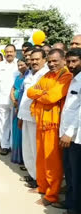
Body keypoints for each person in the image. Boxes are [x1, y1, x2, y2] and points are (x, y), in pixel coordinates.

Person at [27, 49, 73, 206]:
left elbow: (52, 97)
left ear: (63, 60)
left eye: (55, 61)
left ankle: (52, 195)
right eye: (50, 61)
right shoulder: (47, 75)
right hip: (41, 121)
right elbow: (29, 91)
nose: (52, 64)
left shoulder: (66, 75)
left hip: (54, 124)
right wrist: (43, 93)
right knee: (41, 157)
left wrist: (42, 93)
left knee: (52, 161)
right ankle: (43, 187)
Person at [17, 49, 48, 189]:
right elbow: (25, 96)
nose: (34, 62)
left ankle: (40, 179)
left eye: (37, 59)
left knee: (37, 150)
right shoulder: (30, 73)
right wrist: (20, 117)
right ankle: (33, 175)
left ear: (44, 60)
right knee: (28, 148)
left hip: (37, 118)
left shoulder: (46, 74)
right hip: (25, 116)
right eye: (32, 59)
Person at [59, 48, 81, 214]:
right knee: (69, 171)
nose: (71, 64)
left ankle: (75, 207)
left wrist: (70, 132)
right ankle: (70, 202)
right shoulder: (73, 79)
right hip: (66, 135)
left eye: (75, 61)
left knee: (77, 174)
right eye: (69, 61)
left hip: (76, 137)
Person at [0, 44, 19, 155]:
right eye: (7, 52)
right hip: (2, 99)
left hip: (15, 100)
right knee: (3, 124)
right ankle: (5, 146)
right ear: (4, 53)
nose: (9, 54)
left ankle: (13, 146)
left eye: (11, 51)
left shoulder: (19, 64)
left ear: (15, 52)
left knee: (15, 124)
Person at [10, 58, 28, 164]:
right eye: (19, 65)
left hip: (23, 107)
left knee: (22, 133)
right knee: (16, 130)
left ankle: (23, 158)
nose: (20, 67)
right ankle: (16, 156)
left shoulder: (28, 77)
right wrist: (13, 100)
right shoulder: (17, 77)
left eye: (22, 65)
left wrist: (19, 104)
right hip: (16, 105)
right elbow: (12, 90)